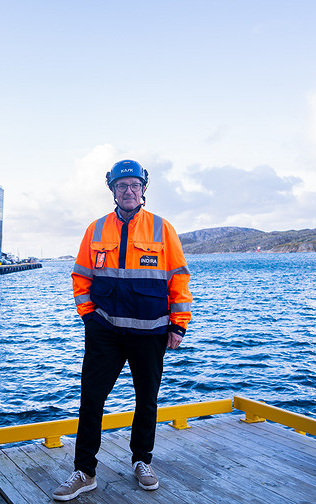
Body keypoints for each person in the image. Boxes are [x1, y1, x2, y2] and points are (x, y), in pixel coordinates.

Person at [52, 160, 192, 501]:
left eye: (134, 185)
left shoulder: (163, 229)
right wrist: (89, 317)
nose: (128, 191)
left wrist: (178, 326)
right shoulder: (96, 230)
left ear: (144, 189)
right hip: (105, 332)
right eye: (121, 186)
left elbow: (179, 279)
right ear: (112, 190)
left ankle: (142, 461)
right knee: (91, 400)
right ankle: (84, 471)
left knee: (147, 400)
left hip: (151, 333)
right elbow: (81, 277)